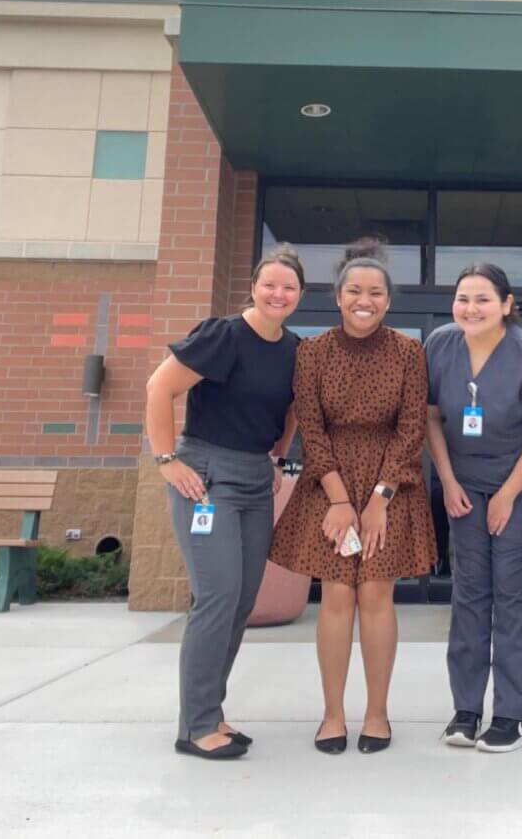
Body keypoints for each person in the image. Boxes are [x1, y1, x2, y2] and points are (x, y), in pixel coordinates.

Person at [268, 238, 437, 755]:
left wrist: (381, 497)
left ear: (389, 300)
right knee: (337, 595)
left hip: (391, 485)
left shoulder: (410, 352)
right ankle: (333, 714)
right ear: (338, 296)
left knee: (376, 596)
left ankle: (378, 714)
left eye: (376, 292)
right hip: (329, 484)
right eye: (355, 291)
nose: (366, 299)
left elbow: (412, 430)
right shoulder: (312, 353)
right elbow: (311, 432)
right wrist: (341, 501)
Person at [144, 244, 305, 761]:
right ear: (254, 287)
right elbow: (158, 388)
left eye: (289, 287)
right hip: (207, 476)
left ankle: (209, 711)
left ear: (300, 295)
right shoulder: (223, 335)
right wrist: (167, 459)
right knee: (217, 597)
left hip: (257, 477)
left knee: (240, 602)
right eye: (270, 284)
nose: (278, 294)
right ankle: (194, 727)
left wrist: (278, 459)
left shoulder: (293, 349)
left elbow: (290, 414)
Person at [425, 263, 522, 753]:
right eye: (463, 298)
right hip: (463, 484)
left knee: (512, 593)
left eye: (483, 299)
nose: (470, 309)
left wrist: (506, 495)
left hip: (518, 485)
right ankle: (466, 708)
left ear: (506, 304)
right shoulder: (440, 344)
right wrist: (447, 480)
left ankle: (514, 712)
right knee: (469, 593)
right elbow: (432, 418)